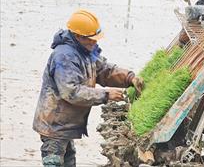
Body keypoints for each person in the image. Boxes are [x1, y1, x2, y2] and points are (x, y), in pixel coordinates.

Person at [33, 9, 144, 167]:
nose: (94, 42)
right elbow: (71, 92)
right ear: (78, 36)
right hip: (55, 126)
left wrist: (129, 77)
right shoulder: (64, 56)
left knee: (69, 161)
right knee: (54, 161)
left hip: (66, 125)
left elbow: (104, 70)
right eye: (91, 39)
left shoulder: (85, 51)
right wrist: (106, 95)